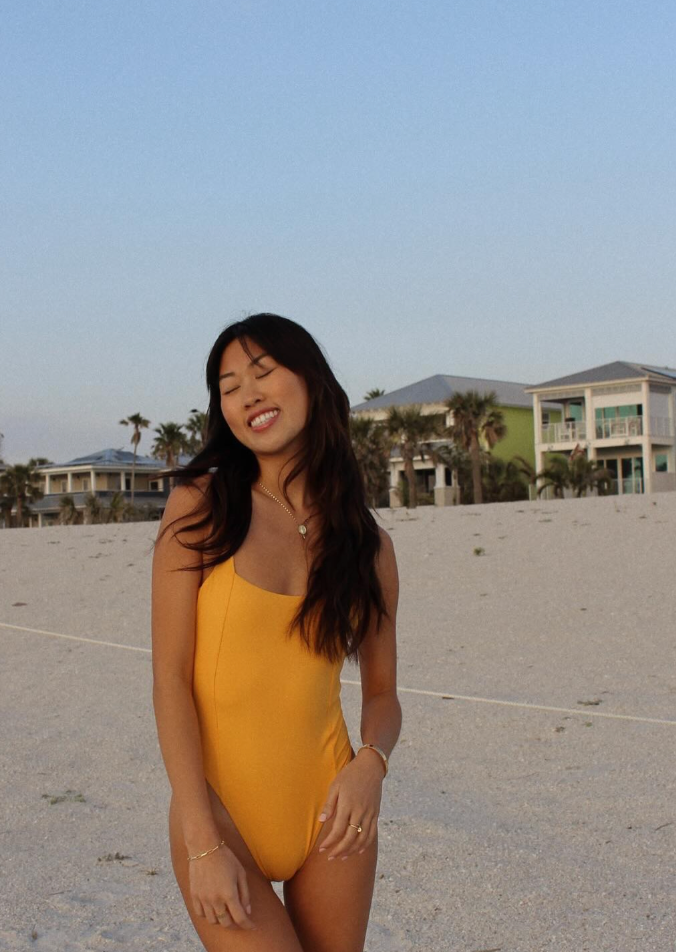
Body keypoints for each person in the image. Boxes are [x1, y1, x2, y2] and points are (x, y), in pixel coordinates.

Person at [151, 313, 402, 951]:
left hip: (333, 808)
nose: (248, 396)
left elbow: (382, 693)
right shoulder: (201, 505)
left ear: (311, 380)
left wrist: (370, 766)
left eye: (262, 373)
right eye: (230, 387)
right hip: (219, 815)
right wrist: (202, 843)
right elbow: (170, 681)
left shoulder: (368, 546)